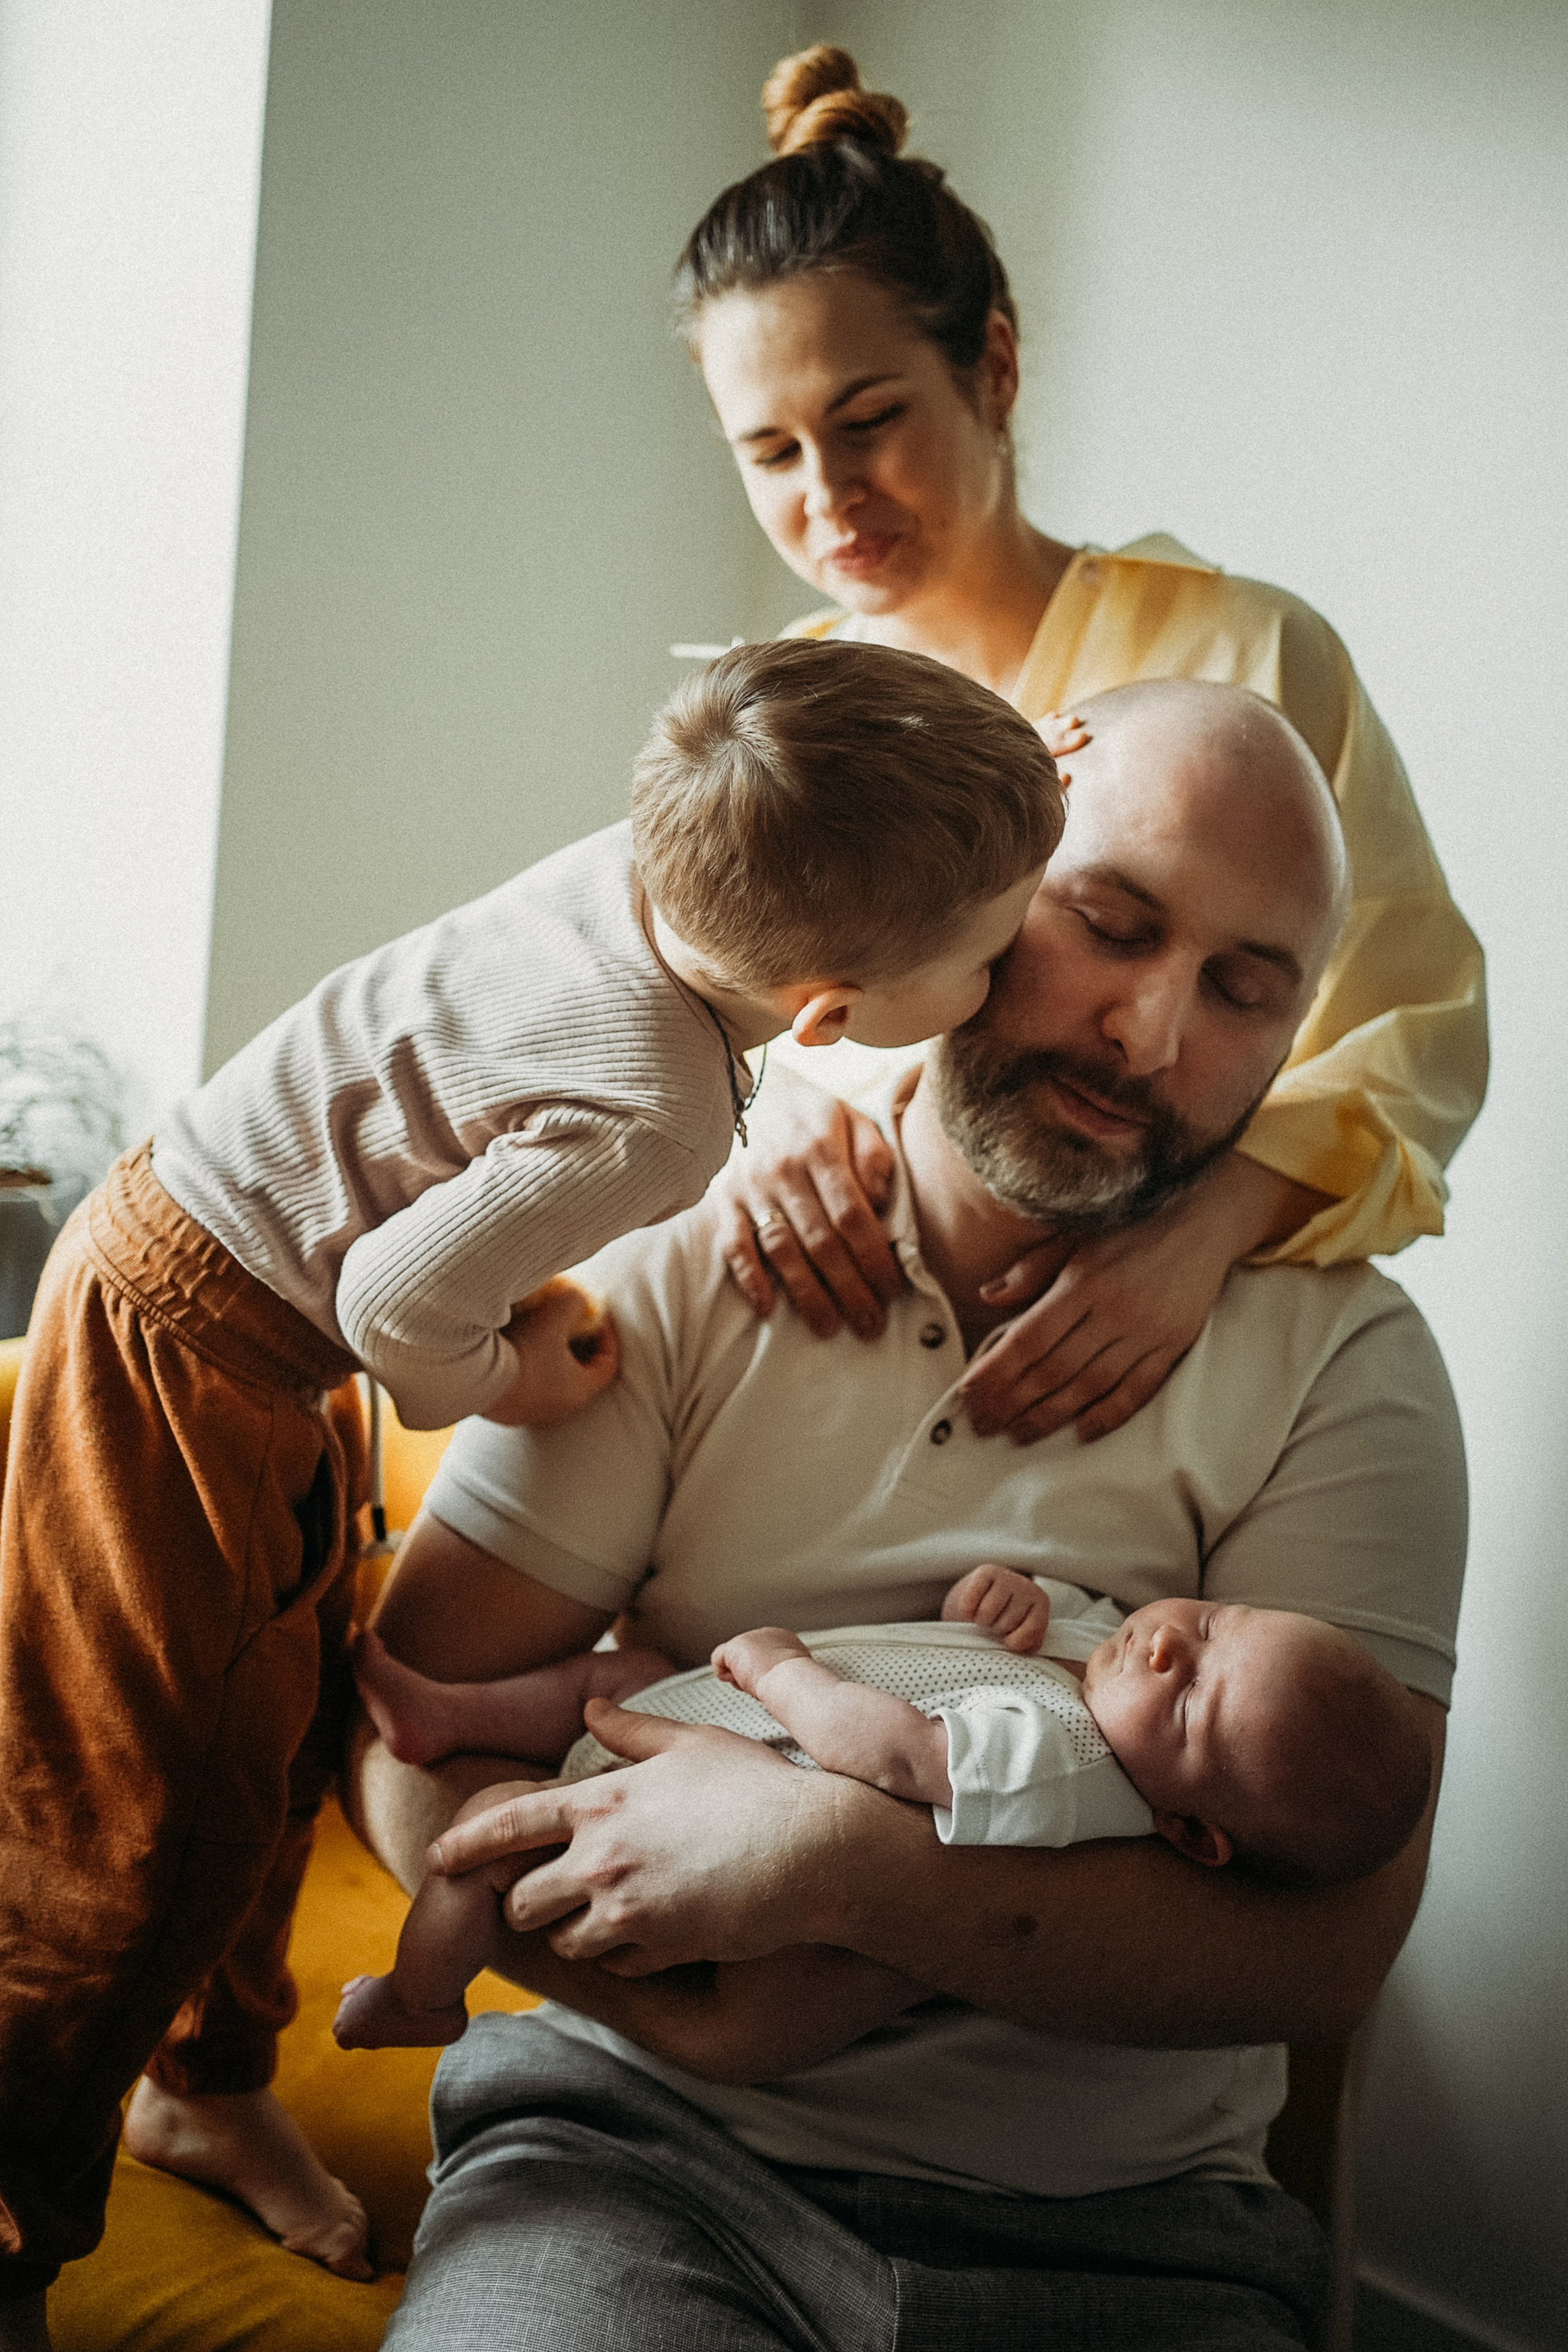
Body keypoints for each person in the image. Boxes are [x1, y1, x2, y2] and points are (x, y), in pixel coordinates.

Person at [344, 679, 1467, 2350]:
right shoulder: (682, 1248)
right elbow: (407, 1743)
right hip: (628, 2160)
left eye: (1244, 989)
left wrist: (846, 1879)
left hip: (1136, 2238)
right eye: (1110, 921)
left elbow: (1322, 1958)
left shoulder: (1350, 1365)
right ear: (989, 886)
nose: (1150, 1036)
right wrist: (691, 2007)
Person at [0, 638, 1060, 2348]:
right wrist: (509, 1376)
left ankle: (198, 2081)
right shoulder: (656, 1114)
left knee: (263, 1744)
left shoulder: (664, 852)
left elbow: (788, 739)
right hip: (203, 1343)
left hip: (240, 1312)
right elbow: (395, 1308)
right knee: (125, 1820)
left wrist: (997, 769)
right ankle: (14, 2227)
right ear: (828, 1021)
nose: (1015, 970)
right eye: (996, 947)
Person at [681, 43, 1485, 1448]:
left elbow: (1413, 1035)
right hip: (812, 1372)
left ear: (989, 366)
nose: (829, 496)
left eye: (869, 422)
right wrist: (752, 1124)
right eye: (771, 452)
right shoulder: (775, 720)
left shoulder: (1251, 657)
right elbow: (673, 1005)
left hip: (1146, 1386)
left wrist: (1204, 1234)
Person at [335, 1566, 1430, 2053]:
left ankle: (421, 1993)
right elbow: (960, 1652)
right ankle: (446, 1712)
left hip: (688, 1802)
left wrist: (781, 1675)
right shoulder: (1111, 1666)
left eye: (1190, 1697)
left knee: (490, 1841)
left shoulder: (1070, 1764)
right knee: (629, 1672)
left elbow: (902, 1756)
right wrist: (992, 1601)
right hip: (686, 1718)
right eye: (1218, 1620)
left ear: (1192, 1832)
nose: (1164, 1643)